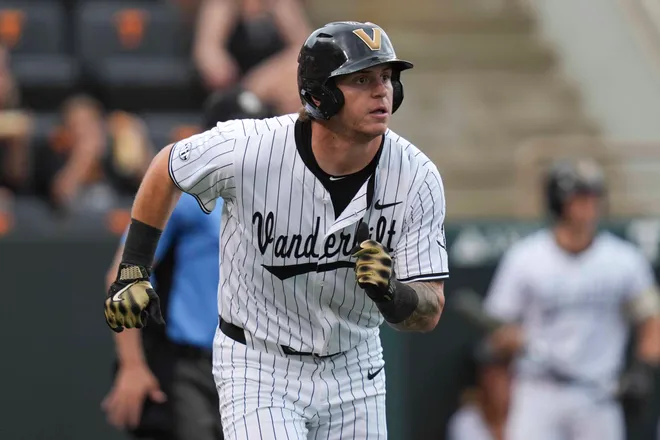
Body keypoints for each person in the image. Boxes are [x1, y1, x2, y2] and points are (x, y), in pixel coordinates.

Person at [104, 21, 449, 439]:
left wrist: (395, 294)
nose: (382, 90)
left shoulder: (417, 176)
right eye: (362, 79)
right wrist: (134, 269)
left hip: (356, 365)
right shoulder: (252, 147)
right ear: (321, 93)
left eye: (387, 77)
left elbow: (429, 311)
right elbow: (167, 167)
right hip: (259, 363)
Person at [480, 157, 660, 440]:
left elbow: (652, 320)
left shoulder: (625, 260)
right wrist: (506, 341)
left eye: (594, 197)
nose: (589, 205)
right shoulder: (525, 258)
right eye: (580, 197)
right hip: (539, 390)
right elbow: (496, 334)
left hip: (597, 393)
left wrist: (643, 371)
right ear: (558, 203)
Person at [102, 193, 224, 440]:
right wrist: (132, 365)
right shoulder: (190, 191)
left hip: (251, 370)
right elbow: (124, 275)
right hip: (186, 370)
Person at [193, 0, 312, 117]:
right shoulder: (221, 5)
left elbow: (306, 50)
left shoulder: (281, 4)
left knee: (300, 74)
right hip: (235, 88)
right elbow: (210, 57)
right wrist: (255, 84)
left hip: (274, 88)